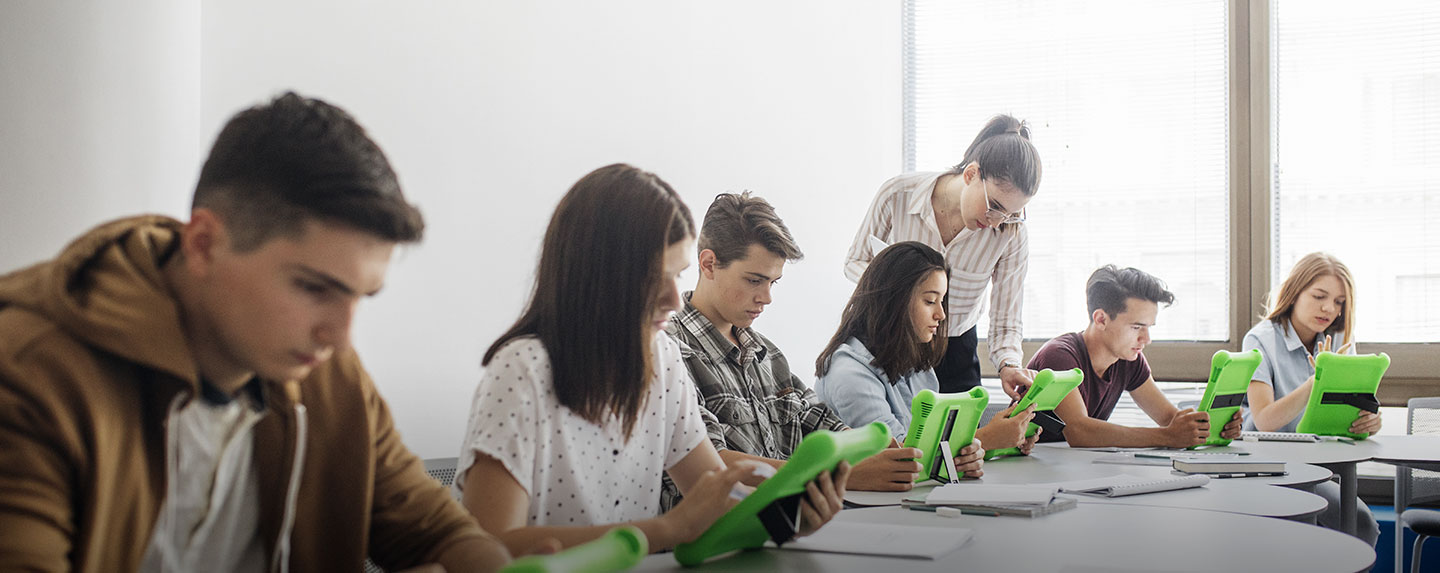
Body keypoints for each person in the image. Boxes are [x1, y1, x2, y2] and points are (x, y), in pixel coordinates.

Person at [0, 92, 513, 572]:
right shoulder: (27, 374)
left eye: (361, 297)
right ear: (202, 244)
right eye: (314, 287)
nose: (340, 337)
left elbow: (439, 532)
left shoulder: (332, 377)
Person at [455, 165, 849, 557]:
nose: (675, 300)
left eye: (677, 277)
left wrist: (790, 518)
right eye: (652, 278)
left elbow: (716, 495)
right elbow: (488, 547)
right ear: (600, 276)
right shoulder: (521, 369)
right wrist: (665, 530)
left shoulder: (662, 357)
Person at [660, 193, 977, 509]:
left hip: (782, 533)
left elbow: (827, 426)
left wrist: (891, 456)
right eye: (755, 280)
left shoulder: (768, 356)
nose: (767, 297)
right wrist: (843, 474)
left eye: (774, 282)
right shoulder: (670, 353)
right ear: (709, 264)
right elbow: (707, 463)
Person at [845, 114, 1042, 401]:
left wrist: (1009, 364)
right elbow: (855, 261)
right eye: (995, 206)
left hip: (955, 351)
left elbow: (1006, 318)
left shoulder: (1010, 233)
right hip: (891, 339)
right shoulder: (898, 194)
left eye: (1012, 214)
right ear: (971, 174)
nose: (998, 221)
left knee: (962, 444)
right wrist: (901, 291)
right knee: (896, 442)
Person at [816, 241, 1037, 459]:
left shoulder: (915, 362)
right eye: (930, 301)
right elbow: (900, 458)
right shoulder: (849, 374)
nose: (941, 314)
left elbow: (936, 444)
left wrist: (1007, 441)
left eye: (941, 301)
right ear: (894, 300)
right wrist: (986, 440)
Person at [1242, 252, 1379, 545]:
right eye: (1319, 296)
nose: (1330, 308)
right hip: (1271, 468)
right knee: (1304, 531)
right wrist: (1315, 382)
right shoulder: (1260, 340)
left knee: (1363, 524)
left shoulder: (1338, 340)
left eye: (1339, 302)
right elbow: (1265, 421)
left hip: (1318, 466)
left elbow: (1347, 413)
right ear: (1294, 293)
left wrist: (1367, 420)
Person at [1028, 265, 1243, 448]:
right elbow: (1079, 431)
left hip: (1073, 469)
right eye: (1137, 327)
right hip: (1026, 471)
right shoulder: (1059, 357)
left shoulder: (1128, 359)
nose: (1146, 339)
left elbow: (1169, 418)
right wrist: (1168, 437)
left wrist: (1207, 427)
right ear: (1101, 319)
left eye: (1149, 327)